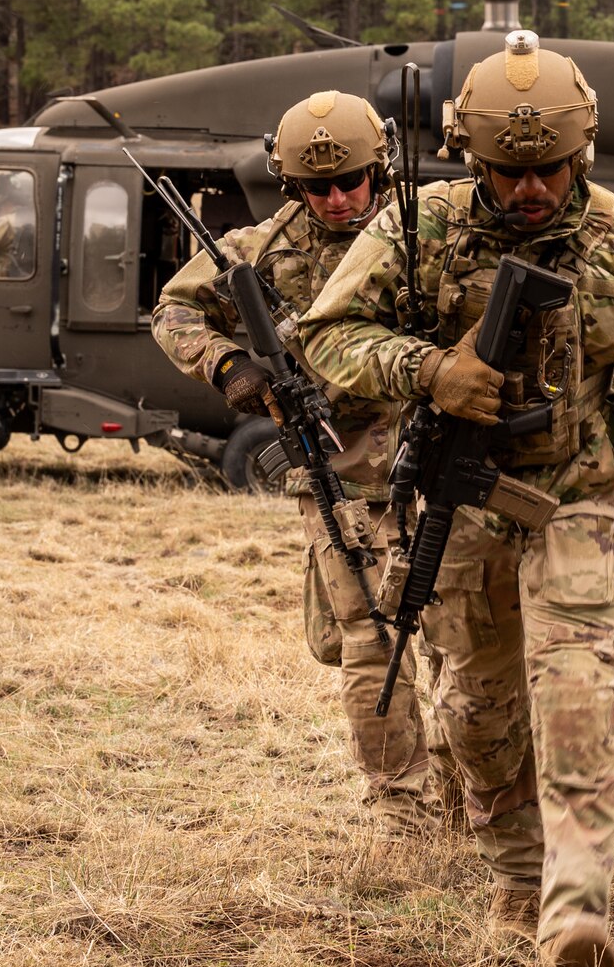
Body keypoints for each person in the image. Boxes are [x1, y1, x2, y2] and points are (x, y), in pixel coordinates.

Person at [297, 30, 614, 967]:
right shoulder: (420, 230)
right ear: (470, 159)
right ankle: (523, 873)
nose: (531, 190)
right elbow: (328, 338)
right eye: (507, 172)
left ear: (584, 154)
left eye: (550, 170)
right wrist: (432, 369)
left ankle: (578, 906)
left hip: (579, 506)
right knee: (479, 715)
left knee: (576, 698)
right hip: (462, 506)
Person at [152, 90, 447, 836]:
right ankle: (396, 802)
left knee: (455, 632)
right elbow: (172, 311)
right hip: (336, 473)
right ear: (292, 184)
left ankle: (465, 789)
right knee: (368, 637)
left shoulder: (427, 234)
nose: (338, 198)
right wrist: (227, 369)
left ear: (378, 170)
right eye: (318, 187)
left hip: (439, 460)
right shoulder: (259, 252)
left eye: (352, 180)